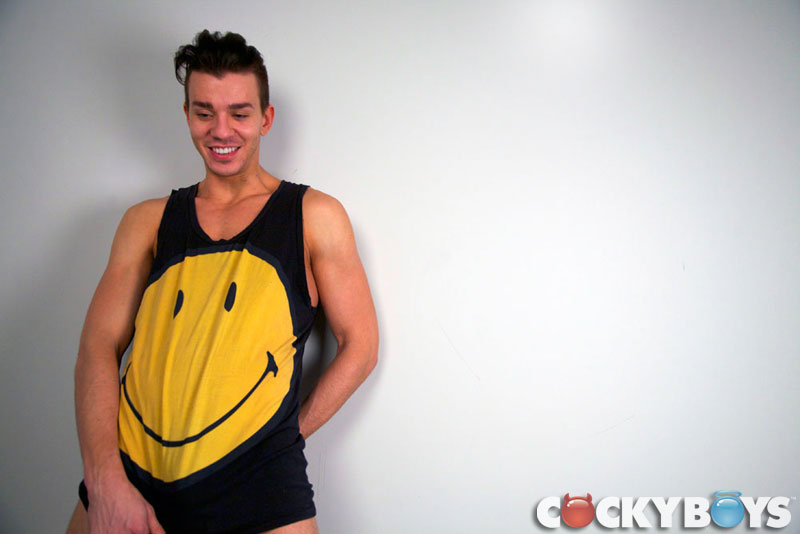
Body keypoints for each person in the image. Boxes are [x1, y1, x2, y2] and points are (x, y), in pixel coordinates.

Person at [66, 30, 379, 534]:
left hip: (259, 489)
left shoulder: (313, 215)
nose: (221, 130)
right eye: (204, 112)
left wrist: (279, 439)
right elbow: (97, 347)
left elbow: (361, 347)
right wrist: (104, 480)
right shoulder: (146, 221)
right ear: (187, 115)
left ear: (266, 119)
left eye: (239, 112)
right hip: (134, 478)